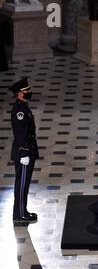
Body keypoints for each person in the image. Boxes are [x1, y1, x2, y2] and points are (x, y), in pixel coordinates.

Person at [9, 78, 39, 225]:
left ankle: (22, 211)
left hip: (28, 149)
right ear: (19, 94)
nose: (29, 92)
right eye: (26, 91)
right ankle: (20, 214)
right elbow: (20, 133)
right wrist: (24, 153)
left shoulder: (24, 106)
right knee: (21, 184)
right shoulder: (20, 110)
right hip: (24, 152)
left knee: (24, 184)